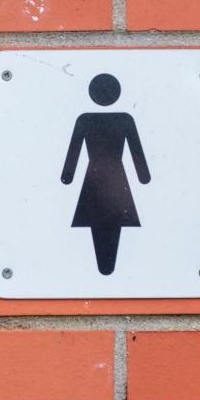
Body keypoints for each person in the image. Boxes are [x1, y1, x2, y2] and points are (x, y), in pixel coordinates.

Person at [61, 73, 151, 275]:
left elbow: (73, 152)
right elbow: (136, 152)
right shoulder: (124, 119)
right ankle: (106, 268)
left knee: (100, 217)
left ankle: (106, 268)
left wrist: (68, 176)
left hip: (95, 175)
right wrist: (143, 176)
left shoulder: (85, 119)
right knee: (112, 217)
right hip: (114, 175)